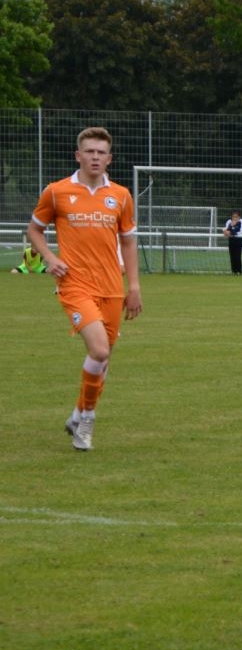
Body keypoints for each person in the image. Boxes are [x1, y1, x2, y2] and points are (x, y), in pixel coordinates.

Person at [26, 127, 144, 451]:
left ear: (109, 159)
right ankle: (87, 420)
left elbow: (128, 242)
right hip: (75, 284)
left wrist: (134, 286)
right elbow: (34, 230)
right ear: (78, 155)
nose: (95, 157)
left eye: (100, 152)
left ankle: (78, 413)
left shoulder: (121, 195)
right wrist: (50, 258)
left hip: (112, 286)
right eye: (89, 151)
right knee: (100, 350)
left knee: (103, 360)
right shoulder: (56, 192)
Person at [222, 210, 242, 274]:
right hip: (231, 240)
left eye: (236, 217)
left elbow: (240, 231)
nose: (234, 218)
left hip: (239, 240)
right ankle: (233, 271)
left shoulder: (241, 221)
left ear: (239, 217)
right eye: (233, 216)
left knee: (237, 256)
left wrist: (230, 231)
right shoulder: (229, 221)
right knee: (232, 256)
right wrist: (229, 229)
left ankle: (239, 271)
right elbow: (226, 230)